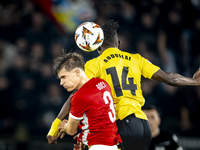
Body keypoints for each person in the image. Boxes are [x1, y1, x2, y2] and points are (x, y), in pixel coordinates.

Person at [47, 20, 200, 150]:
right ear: (118, 43)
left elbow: (77, 96)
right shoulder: (136, 59)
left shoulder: (94, 64)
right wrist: (193, 81)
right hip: (143, 126)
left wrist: (56, 124)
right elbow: (170, 78)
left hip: (121, 124)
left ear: (97, 46)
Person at [50, 52, 121, 150]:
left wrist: (64, 126)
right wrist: (83, 137)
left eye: (63, 77)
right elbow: (97, 117)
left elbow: (71, 131)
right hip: (112, 146)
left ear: (77, 72)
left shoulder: (80, 96)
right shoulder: (102, 83)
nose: (61, 83)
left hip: (98, 146)